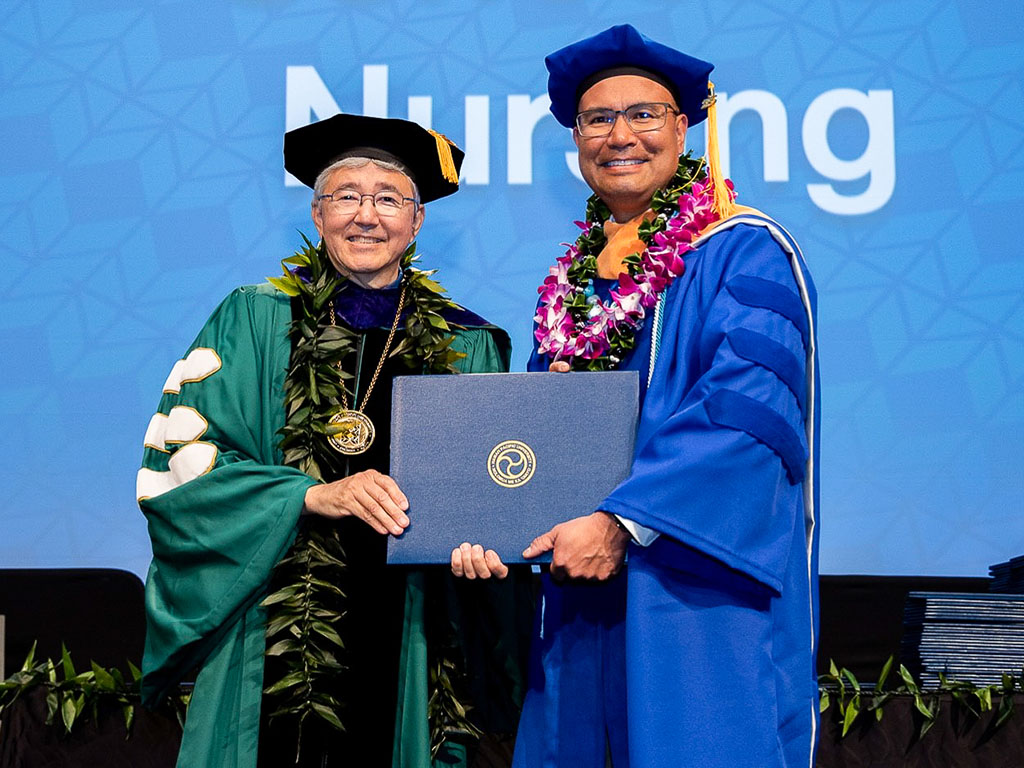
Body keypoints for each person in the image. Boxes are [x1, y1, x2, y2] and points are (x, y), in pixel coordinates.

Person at [452, 24, 820, 768]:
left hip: (694, 596)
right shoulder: (572, 284)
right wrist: (496, 519)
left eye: (644, 114)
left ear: (683, 128)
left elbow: (747, 418)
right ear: (576, 138)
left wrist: (622, 522)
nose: (620, 134)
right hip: (579, 601)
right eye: (597, 119)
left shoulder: (743, 250)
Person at [137, 114, 529, 768]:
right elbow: (186, 469)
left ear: (417, 221)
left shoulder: (469, 344)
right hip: (270, 625)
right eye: (346, 196)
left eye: (387, 199)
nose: (366, 216)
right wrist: (308, 496)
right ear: (317, 215)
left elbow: (490, 492)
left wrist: (489, 548)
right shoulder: (255, 319)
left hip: (409, 633)